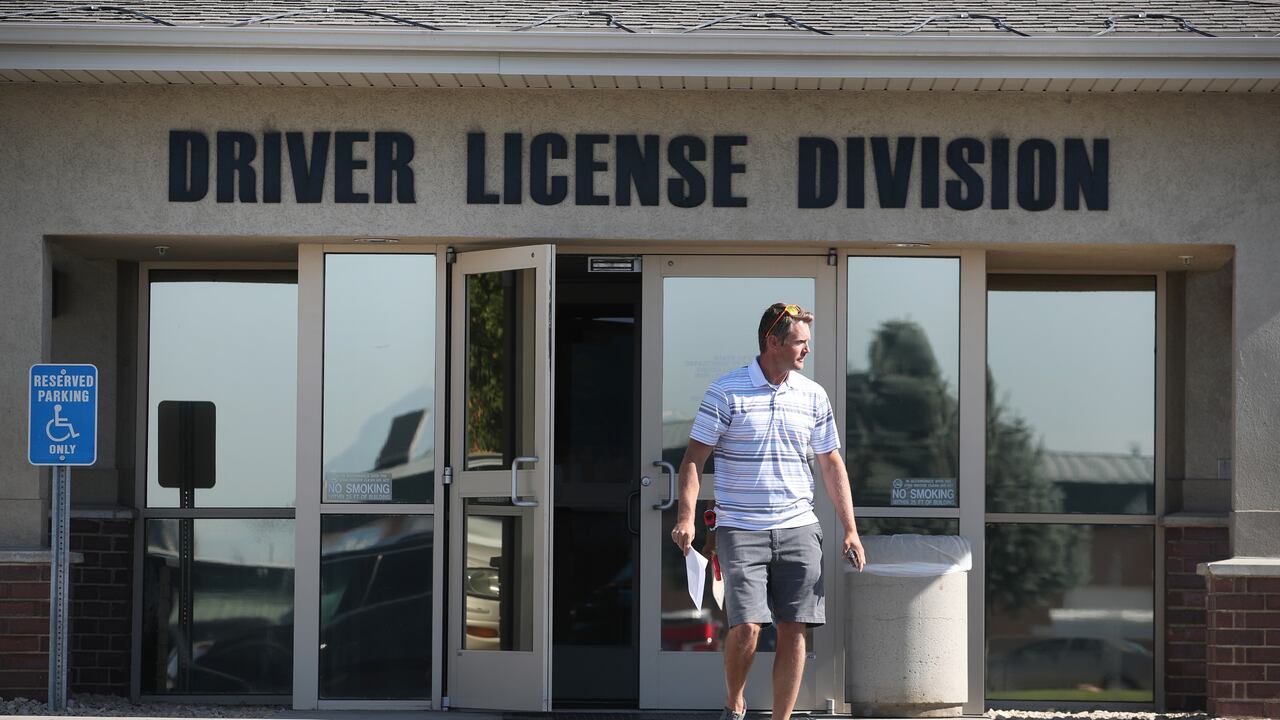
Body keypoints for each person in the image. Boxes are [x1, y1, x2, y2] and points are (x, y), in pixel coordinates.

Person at [670, 302, 866, 720]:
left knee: (794, 629)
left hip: (798, 527)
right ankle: (734, 702)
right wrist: (686, 516)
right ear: (772, 342)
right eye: (799, 342)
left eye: (807, 343)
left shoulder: (813, 395)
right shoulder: (726, 392)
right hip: (740, 528)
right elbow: (693, 460)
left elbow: (831, 462)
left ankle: (781, 718)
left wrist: (850, 528)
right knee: (747, 626)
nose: (806, 351)